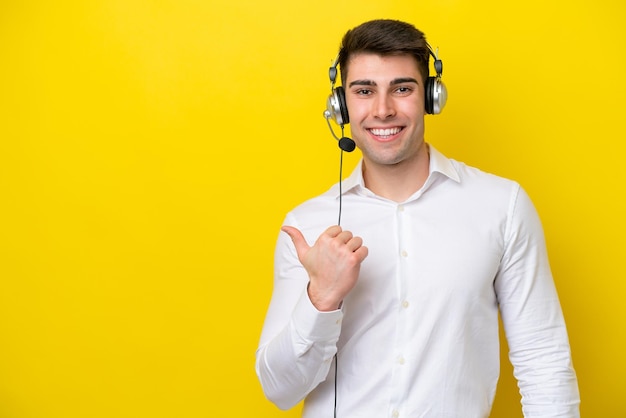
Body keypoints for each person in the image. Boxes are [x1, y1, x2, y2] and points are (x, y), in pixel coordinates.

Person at [255, 19, 580, 417]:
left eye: (402, 88)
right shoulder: (308, 225)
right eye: (364, 91)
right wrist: (321, 298)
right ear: (341, 105)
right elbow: (279, 391)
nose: (383, 110)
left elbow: (543, 359)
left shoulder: (502, 206)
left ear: (430, 96)